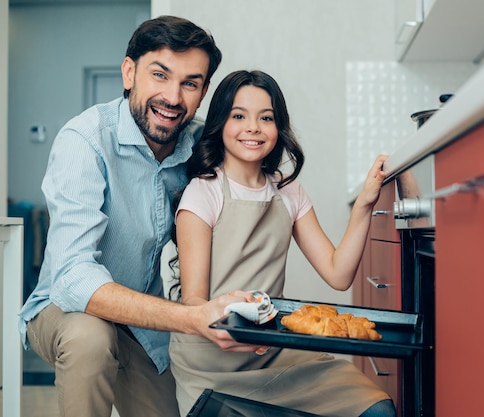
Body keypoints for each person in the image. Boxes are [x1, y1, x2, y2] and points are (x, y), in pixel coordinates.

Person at [18, 15, 224, 417]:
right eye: (160, 75)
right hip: (64, 308)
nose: (173, 97)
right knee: (91, 336)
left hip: (140, 318)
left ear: (203, 92)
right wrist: (190, 317)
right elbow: (75, 277)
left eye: (190, 83)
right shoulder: (85, 141)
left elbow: (256, 173)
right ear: (129, 72)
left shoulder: (199, 144)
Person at [168, 69, 397, 417]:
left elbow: (338, 274)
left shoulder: (288, 191)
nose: (253, 128)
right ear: (220, 124)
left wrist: (365, 204)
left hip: (274, 352)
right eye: (239, 116)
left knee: (377, 410)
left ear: (279, 127)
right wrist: (228, 323)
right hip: (211, 361)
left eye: (266, 118)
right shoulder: (203, 192)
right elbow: (195, 301)